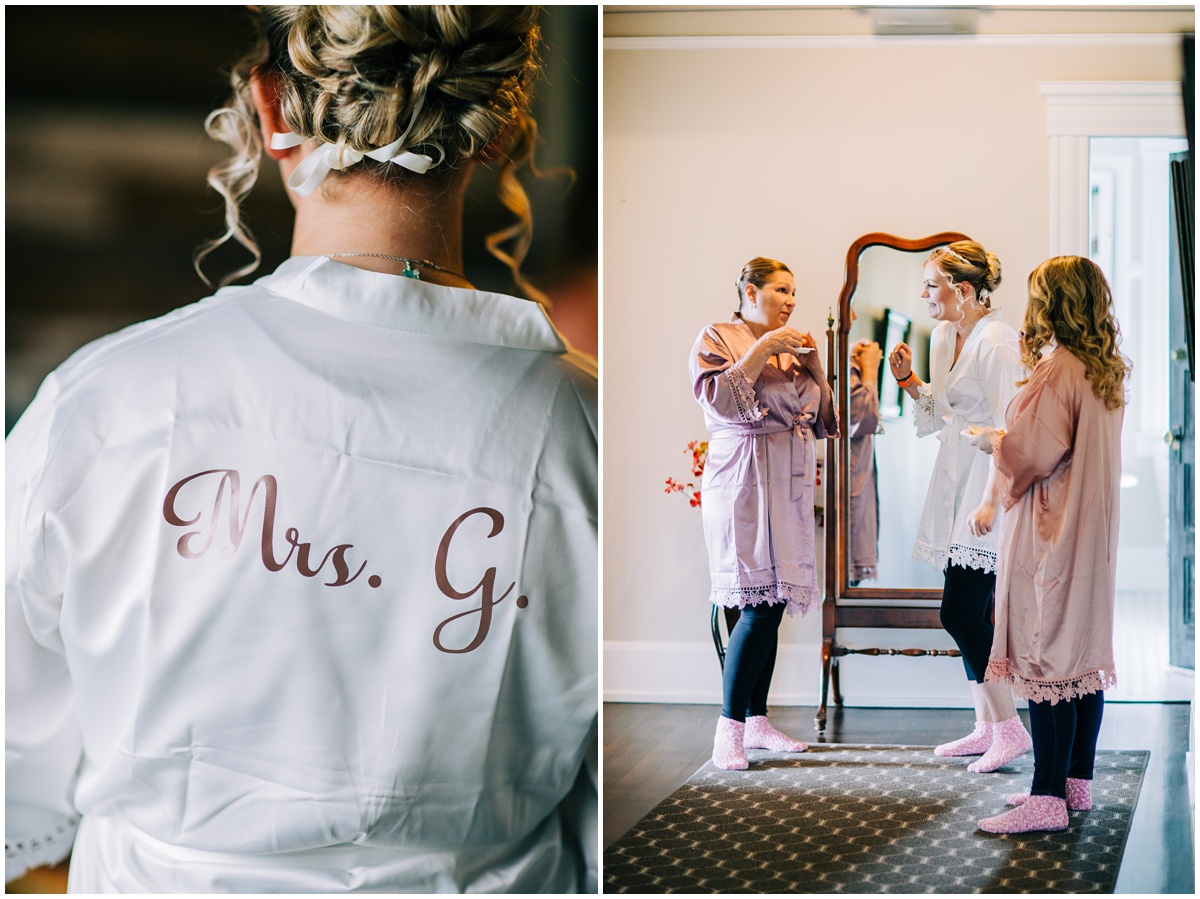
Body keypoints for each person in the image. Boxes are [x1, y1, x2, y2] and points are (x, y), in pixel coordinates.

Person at [5, 7, 597, 893]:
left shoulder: (108, 400)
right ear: (500, 128)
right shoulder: (589, 432)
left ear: (270, 108)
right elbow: (606, 803)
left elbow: (14, 748)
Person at [970, 256, 1129, 834]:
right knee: (1079, 658)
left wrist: (993, 441)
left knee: (1047, 661)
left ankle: (1045, 799)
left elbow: (1030, 453)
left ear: (1053, 302)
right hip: (1091, 535)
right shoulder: (1103, 367)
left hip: (1052, 535)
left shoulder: (1059, 368)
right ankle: (1073, 784)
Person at [887, 240, 1031, 773]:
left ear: (962, 290)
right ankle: (986, 727)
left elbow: (1009, 429)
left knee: (961, 611)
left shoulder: (999, 343)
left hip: (985, 485)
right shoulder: (946, 335)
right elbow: (940, 418)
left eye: (931, 284)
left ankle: (1010, 729)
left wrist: (993, 502)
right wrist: (906, 381)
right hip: (953, 477)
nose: (924, 294)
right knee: (965, 609)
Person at [690, 257, 838, 771]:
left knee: (773, 603)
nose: (791, 299)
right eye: (781, 289)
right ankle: (727, 730)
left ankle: (757, 722)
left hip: (789, 483)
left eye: (794, 291)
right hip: (744, 483)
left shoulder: (793, 351)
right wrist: (760, 350)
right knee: (755, 604)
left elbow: (822, 420)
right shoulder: (717, 336)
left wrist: (815, 367)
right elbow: (718, 402)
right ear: (751, 292)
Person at [848, 337, 883, 584]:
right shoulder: (846, 366)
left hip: (860, 473)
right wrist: (870, 372)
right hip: (849, 479)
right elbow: (864, 419)